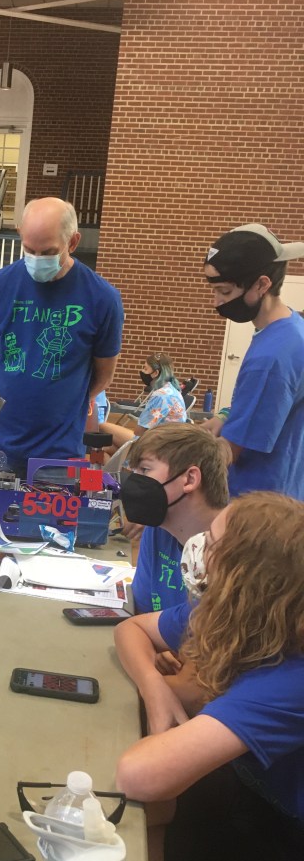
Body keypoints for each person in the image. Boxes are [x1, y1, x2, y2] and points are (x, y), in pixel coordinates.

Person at [115, 493, 304, 861]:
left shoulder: (292, 680)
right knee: (140, 814)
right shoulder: (244, 612)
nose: (198, 547)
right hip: (250, 795)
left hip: (285, 852)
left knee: (120, 826)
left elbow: (139, 774)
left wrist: (169, 696)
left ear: (243, 572)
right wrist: (155, 689)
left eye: (212, 542)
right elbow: (131, 630)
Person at [0, 197, 124, 473]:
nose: (37, 259)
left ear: (73, 242)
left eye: (48, 252)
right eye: (29, 250)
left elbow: (104, 376)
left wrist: (61, 400)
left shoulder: (103, 298)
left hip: (59, 451)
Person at [202, 222, 304, 499]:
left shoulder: (271, 357)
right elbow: (269, 406)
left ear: (262, 284)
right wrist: (225, 417)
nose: (216, 302)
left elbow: (228, 453)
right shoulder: (292, 327)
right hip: (286, 489)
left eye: (225, 292)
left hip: (256, 502)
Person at [120, 424, 229, 634]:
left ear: (190, 479)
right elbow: (142, 617)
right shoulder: (158, 530)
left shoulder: (230, 548)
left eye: (144, 470)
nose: (134, 480)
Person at [100, 353, 186, 452]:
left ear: (155, 373)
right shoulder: (173, 390)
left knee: (102, 426)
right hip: (170, 444)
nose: (143, 372)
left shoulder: (160, 395)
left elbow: (139, 431)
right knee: (106, 448)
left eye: (145, 369)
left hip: (157, 445)